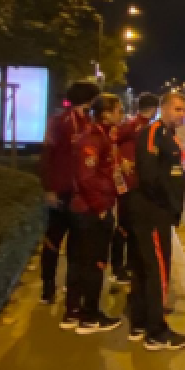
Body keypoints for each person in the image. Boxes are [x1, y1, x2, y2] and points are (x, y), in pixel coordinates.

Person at [130, 92, 185, 350]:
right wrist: (168, 203)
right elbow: (150, 175)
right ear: (163, 109)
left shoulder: (166, 135)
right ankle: (156, 332)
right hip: (153, 212)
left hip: (158, 211)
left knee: (147, 268)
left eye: (184, 110)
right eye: (177, 109)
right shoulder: (153, 133)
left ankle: (142, 322)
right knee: (158, 270)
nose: (182, 114)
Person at [66, 94, 126, 334]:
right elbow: (86, 178)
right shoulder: (92, 139)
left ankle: (76, 311)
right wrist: (101, 207)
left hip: (88, 208)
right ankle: (90, 316)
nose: (121, 114)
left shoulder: (102, 136)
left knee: (83, 263)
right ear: (106, 113)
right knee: (94, 263)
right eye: (118, 110)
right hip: (90, 211)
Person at [38, 81, 101, 305]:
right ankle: (48, 288)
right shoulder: (60, 123)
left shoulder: (88, 123)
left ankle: (70, 286)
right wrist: (49, 189)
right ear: (89, 101)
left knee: (76, 242)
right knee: (53, 241)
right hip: (63, 191)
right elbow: (46, 157)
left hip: (79, 193)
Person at [112, 93, 159, 339]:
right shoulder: (141, 129)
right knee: (136, 243)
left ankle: (125, 271)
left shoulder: (137, 128)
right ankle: (143, 312)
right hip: (135, 191)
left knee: (131, 236)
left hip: (133, 190)